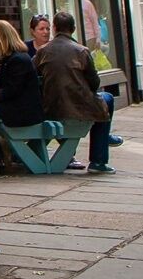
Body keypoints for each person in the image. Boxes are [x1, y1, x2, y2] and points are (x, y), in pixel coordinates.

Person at [37, 11, 115, 174]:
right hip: (78, 108)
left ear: (54, 28)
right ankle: (98, 159)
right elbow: (95, 83)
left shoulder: (43, 51)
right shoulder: (82, 51)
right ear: (73, 29)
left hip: (49, 107)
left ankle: (104, 136)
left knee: (102, 103)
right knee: (107, 98)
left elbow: (30, 74)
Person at [0, 20, 43, 174]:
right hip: (21, 106)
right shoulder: (17, 58)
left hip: (23, 110)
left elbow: (12, 89)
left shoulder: (17, 60)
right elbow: (10, 74)